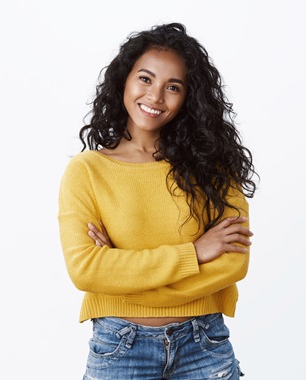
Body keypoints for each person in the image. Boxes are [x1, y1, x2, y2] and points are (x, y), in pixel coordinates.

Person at [58, 22, 257, 380]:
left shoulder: (213, 166)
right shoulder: (87, 171)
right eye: (145, 79)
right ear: (124, 80)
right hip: (121, 348)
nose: (155, 96)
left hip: (204, 345)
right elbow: (86, 270)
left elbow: (233, 265)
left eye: (173, 87)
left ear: (188, 97)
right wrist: (194, 253)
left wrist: (120, 272)